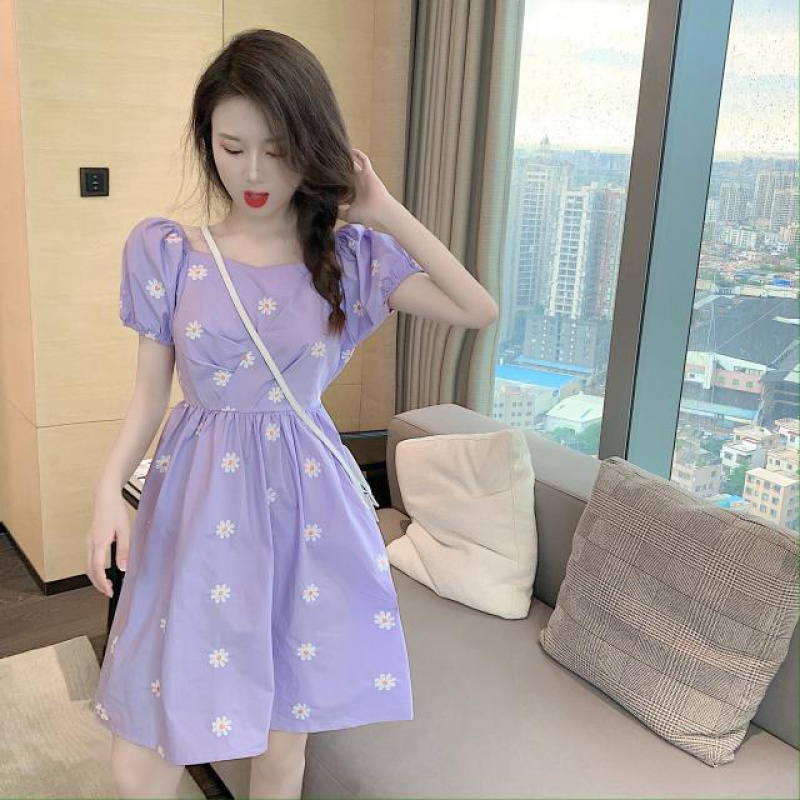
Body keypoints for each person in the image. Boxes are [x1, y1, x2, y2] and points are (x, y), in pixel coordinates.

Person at [86, 28, 498, 800]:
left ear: (311, 146)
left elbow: (476, 308)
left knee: (281, 750)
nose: (252, 171)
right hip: (197, 499)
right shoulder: (168, 252)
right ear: (206, 140)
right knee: (144, 754)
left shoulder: (351, 258)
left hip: (309, 509)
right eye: (231, 147)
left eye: (276, 150)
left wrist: (383, 209)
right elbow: (148, 395)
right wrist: (108, 490)